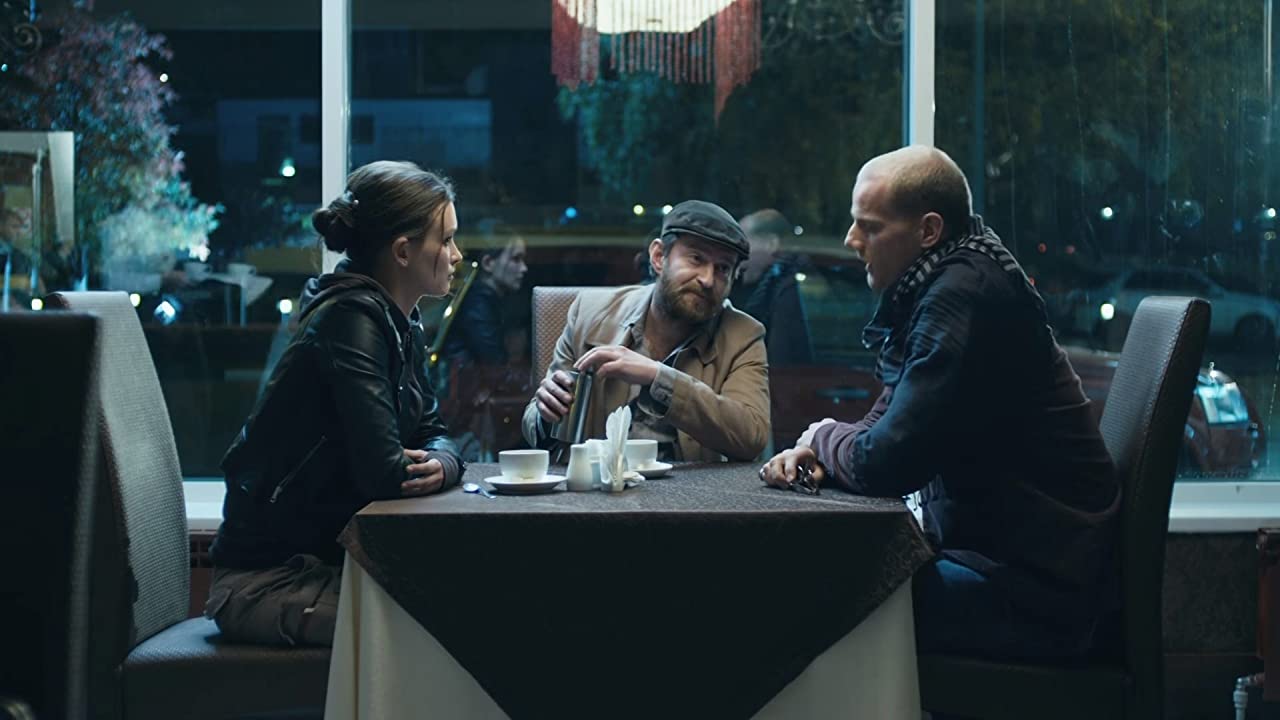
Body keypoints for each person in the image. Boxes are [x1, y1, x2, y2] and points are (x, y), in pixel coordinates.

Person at [760, 146, 1119, 660]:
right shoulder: (954, 276)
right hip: (1024, 568)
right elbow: (890, 420)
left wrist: (822, 436)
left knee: (810, 593)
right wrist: (825, 449)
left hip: (1034, 597)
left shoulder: (962, 295)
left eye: (870, 227)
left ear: (929, 230)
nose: (851, 240)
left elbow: (888, 462)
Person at [207, 160, 465, 647]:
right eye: (446, 239)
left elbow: (434, 433)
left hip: (324, 568)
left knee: (464, 611)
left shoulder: (400, 324)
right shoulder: (351, 323)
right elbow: (386, 474)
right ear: (403, 251)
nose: (456, 254)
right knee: (444, 631)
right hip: (267, 581)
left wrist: (445, 464)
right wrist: (438, 463)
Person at [522, 199, 770, 462]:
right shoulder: (589, 313)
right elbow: (534, 421)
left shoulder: (744, 335)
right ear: (659, 257)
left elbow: (751, 437)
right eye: (696, 259)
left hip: (691, 486)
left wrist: (658, 377)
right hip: (601, 484)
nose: (708, 280)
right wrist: (546, 414)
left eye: (723, 269)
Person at [439, 226, 530, 457]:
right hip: (464, 419)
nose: (523, 268)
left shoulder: (488, 302)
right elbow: (496, 369)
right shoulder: (478, 305)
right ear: (489, 263)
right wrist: (534, 383)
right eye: (516, 259)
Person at [729, 209, 813, 366]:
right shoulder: (763, 284)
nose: (734, 251)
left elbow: (781, 360)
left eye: (742, 242)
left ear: (771, 244)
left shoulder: (789, 288)